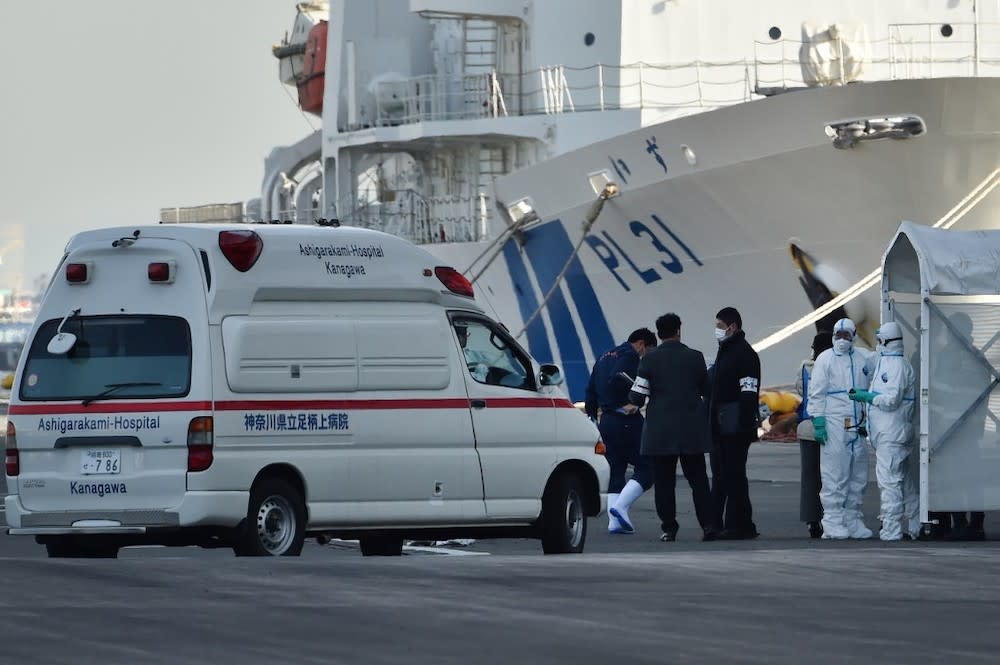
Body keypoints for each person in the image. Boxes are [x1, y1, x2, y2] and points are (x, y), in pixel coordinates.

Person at [629, 313, 720, 542]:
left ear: (658, 334)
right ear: (678, 330)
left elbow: (638, 397)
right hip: (691, 430)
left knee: (664, 482)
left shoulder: (648, 360)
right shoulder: (695, 357)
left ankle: (669, 527)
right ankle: (708, 525)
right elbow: (707, 390)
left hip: (661, 431)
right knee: (698, 479)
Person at [848, 321, 920, 541]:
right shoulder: (887, 362)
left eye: (879, 340)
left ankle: (891, 529)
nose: (877, 344)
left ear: (886, 341)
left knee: (889, 482)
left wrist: (867, 397)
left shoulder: (896, 366)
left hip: (892, 434)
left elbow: (891, 400)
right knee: (904, 482)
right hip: (890, 434)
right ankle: (916, 526)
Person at [584, 328, 658, 534]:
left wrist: (593, 418)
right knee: (648, 467)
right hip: (627, 421)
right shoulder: (630, 356)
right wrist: (631, 401)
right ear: (642, 344)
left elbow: (590, 392)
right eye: (648, 351)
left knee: (616, 470)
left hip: (606, 421)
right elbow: (620, 376)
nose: (646, 357)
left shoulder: (602, 357)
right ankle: (621, 506)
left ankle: (614, 523)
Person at [809, 318, 876, 539]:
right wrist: (818, 421)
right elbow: (816, 392)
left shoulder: (863, 357)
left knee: (858, 472)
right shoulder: (825, 359)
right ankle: (832, 520)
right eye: (838, 335)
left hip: (856, 422)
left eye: (846, 335)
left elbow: (878, 373)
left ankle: (852, 518)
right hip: (835, 421)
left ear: (854, 336)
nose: (842, 339)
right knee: (834, 472)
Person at [708, 306, 761, 540]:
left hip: (735, 427)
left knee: (734, 475)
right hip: (721, 425)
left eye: (720, 326)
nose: (717, 331)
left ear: (733, 327)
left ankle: (738, 524)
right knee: (722, 475)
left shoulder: (745, 354)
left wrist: (743, 425)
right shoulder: (726, 351)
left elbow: (748, 392)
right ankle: (719, 522)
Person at [797, 331, 833, 539]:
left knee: (810, 477)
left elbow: (800, 390)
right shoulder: (834, 365)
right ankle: (832, 516)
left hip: (808, 427)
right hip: (831, 427)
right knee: (833, 475)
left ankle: (812, 520)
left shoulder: (805, 367)